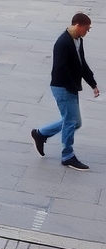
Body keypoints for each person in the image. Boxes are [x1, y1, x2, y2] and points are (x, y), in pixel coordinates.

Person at [31, 12, 99, 171]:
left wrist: (92, 84)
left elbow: (82, 64)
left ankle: (41, 134)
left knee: (75, 122)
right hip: (63, 87)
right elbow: (60, 68)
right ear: (77, 25)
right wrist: (72, 86)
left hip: (71, 87)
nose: (87, 32)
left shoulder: (77, 40)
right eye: (86, 29)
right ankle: (67, 156)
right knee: (70, 121)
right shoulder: (63, 43)